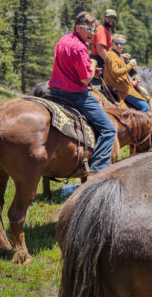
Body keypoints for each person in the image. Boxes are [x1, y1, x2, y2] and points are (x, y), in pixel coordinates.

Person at [48, 11, 116, 175]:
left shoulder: (63, 40)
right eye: (88, 30)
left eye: (94, 30)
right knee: (109, 130)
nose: (92, 34)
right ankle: (97, 170)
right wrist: (92, 64)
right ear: (78, 27)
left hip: (55, 90)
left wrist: (90, 69)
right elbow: (86, 80)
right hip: (75, 95)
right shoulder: (79, 48)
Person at [103, 33, 151, 113]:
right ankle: (137, 124)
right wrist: (130, 65)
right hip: (120, 88)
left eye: (121, 44)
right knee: (145, 107)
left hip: (120, 85)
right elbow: (116, 72)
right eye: (116, 43)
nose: (119, 45)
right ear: (112, 43)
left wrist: (131, 82)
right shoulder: (112, 56)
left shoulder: (114, 54)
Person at [90, 8, 117, 73]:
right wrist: (112, 62)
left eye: (113, 19)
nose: (111, 20)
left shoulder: (107, 30)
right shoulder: (102, 30)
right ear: (104, 18)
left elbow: (107, 49)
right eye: (109, 18)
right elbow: (101, 50)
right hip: (98, 61)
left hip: (102, 59)